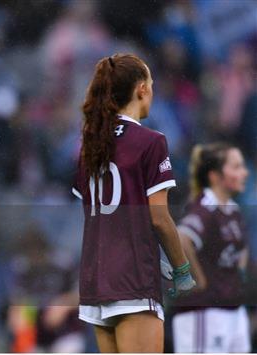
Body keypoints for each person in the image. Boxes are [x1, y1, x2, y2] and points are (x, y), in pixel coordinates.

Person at [72, 53, 196, 352]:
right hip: (134, 282)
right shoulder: (151, 141)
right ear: (141, 88)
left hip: (95, 279)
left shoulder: (90, 142)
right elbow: (159, 218)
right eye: (151, 84)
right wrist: (181, 268)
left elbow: (103, 218)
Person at [173, 143, 250, 353]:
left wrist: (239, 273)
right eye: (236, 167)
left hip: (232, 308)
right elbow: (181, 237)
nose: (244, 172)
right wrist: (199, 278)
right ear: (215, 176)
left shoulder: (233, 210)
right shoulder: (205, 209)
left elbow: (242, 247)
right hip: (204, 310)